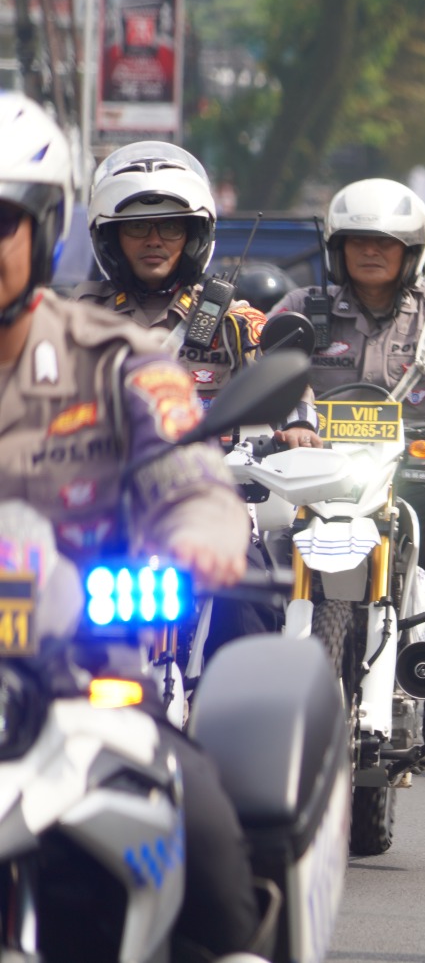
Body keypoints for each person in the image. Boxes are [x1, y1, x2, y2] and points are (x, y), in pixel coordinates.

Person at [0, 93, 259, 959]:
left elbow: (188, 472)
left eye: (0, 220)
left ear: (42, 227)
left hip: (83, 687)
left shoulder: (119, 360)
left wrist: (205, 528)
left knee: (213, 844)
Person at [272, 177, 425, 776]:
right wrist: (296, 417)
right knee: (247, 557)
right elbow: (274, 360)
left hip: (405, 469)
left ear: (412, 252)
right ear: (338, 248)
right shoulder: (303, 308)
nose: (372, 252)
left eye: (386, 243)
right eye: (358, 242)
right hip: (317, 473)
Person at [74, 141, 318, 438]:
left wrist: (299, 425)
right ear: (111, 238)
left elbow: (284, 381)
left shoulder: (234, 319)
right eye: (137, 227)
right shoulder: (78, 317)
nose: (154, 240)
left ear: (193, 237)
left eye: (170, 227)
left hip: (211, 474)